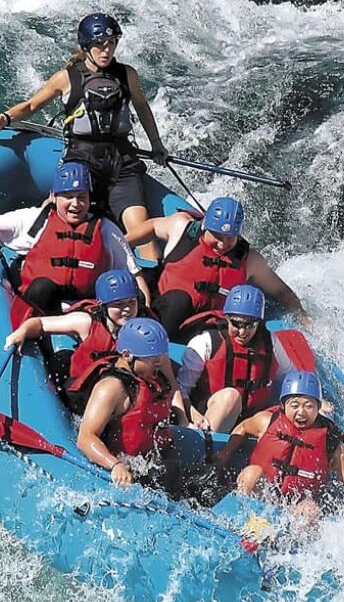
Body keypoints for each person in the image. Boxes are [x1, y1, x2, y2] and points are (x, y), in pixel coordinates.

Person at [0, 13, 170, 260]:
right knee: (55, 218)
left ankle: (147, 283)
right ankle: (33, 261)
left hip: (122, 162)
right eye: (100, 45)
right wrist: (4, 118)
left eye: (111, 43)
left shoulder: (127, 74)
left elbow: (142, 107)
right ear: (86, 47)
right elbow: (31, 106)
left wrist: (157, 145)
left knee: (141, 227)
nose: (106, 50)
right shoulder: (67, 77)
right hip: (82, 161)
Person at [0, 162, 151, 313]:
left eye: (81, 197)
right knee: (43, 286)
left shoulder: (106, 229)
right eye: (68, 197)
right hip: (38, 308)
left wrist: (145, 311)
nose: (76, 204)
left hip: (85, 310)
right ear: (54, 196)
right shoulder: (32, 220)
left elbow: (135, 275)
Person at [152, 196, 305, 341]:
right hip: (164, 312)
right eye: (217, 236)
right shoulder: (182, 228)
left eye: (230, 237)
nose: (222, 244)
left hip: (206, 325)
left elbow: (282, 291)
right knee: (178, 303)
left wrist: (302, 316)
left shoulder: (251, 260)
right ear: (205, 226)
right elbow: (150, 227)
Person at [230, 371, 344, 525]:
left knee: (310, 510)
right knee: (250, 474)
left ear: (318, 407)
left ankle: (290, 544)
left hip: (297, 502)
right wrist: (222, 458)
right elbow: (242, 428)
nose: (301, 412)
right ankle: (240, 521)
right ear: (283, 405)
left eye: (309, 406)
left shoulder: (330, 441)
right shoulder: (267, 420)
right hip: (264, 490)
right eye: (294, 405)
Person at [70, 318, 191, 486]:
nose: (159, 362)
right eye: (152, 358)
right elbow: (85, 438)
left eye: (160, 356)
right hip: (123, 465)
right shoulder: (111, 388)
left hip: (150, 464)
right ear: (127, 355)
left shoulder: (151, 376)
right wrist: (115, 465)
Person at [3, 269, 148, 404]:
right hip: (83, 391)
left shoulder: (145, 331)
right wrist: (22, 332)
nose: (127, 309)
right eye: (119, 304)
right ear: (103, 306)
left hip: (120, 393)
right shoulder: (86, 322)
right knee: (61, 360)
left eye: (131, 302)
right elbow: (41, 323)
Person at [176, 284, 288, 434]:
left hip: (249, 420)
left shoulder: (271, 343)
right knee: (231, 397)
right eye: (236, 324)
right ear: (227, 318)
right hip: (210, 415)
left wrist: (308, 399)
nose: (242, 332)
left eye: (250, 325)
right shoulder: (205, 342)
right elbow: (181, 388)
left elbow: (289, 377)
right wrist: (191, 413)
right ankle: (208, 451)